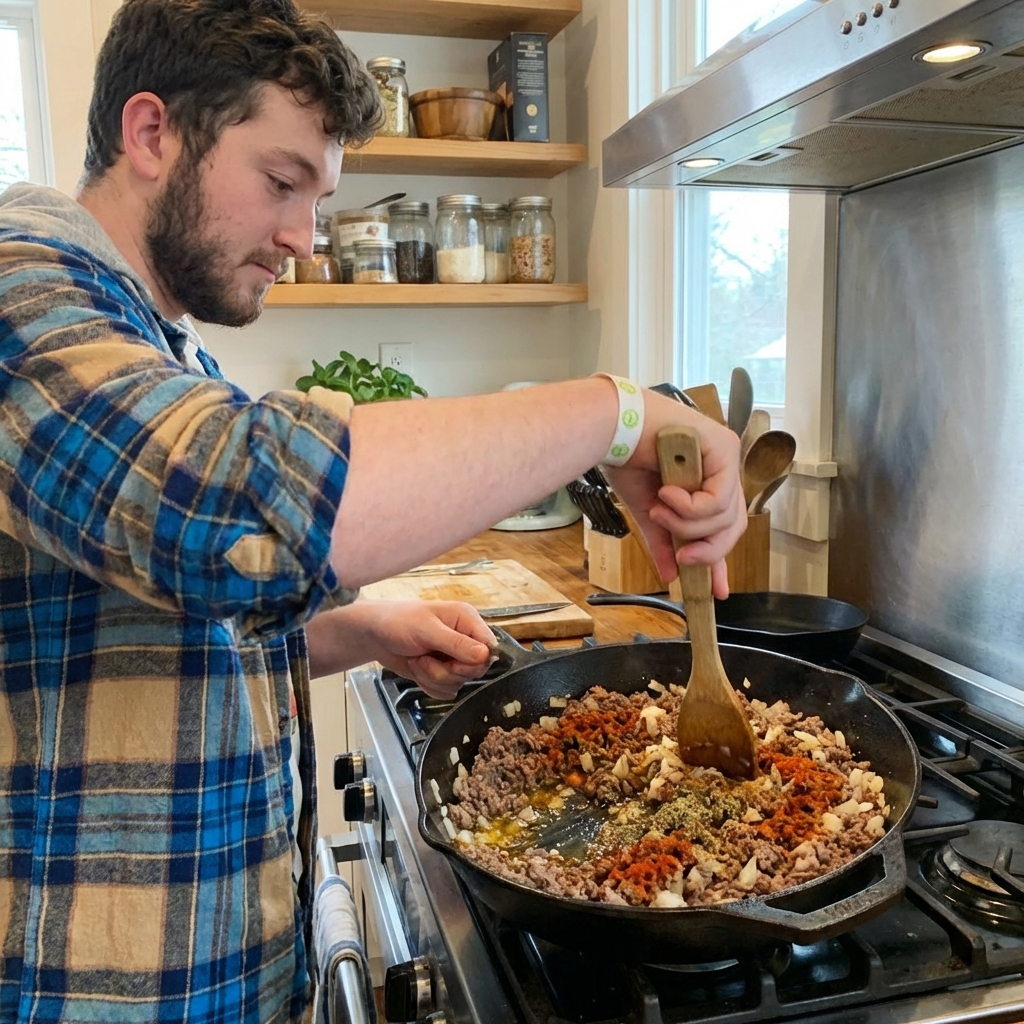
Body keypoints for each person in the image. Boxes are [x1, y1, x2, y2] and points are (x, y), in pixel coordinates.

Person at [0, 0, 746, 1021]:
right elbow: (221, 509)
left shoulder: (160, 343)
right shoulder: (18, 290)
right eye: (281, 181)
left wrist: (352, 630)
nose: (306, 237)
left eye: (322, 195)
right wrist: (612, 411)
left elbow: (140, 630)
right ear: (150, 132)